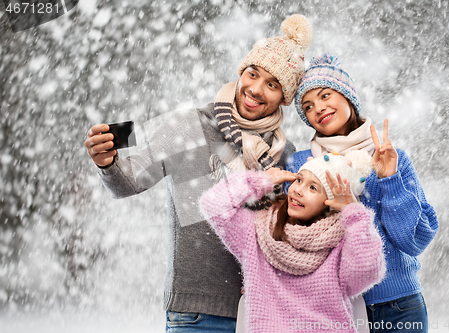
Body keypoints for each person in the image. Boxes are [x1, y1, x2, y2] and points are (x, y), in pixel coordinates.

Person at [84, 14, 312, 333]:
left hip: (264, 312)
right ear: (241, 71)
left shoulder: (286, 156)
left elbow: (293, 236)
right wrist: (107, 161)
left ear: (284, 98)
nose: (256, 89)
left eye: (272, 84)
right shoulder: (189, 126)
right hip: (194, 313)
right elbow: (128, 181)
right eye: (253, 73)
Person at [286, 53, 439, 332]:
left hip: (398, 307)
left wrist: (390, 180)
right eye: (308, 106)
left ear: (348, 98)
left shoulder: (391, 158)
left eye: (325, 96)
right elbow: (290, 238)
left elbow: (413, 241)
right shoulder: (301, 165)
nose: (318, 108)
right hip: (330, 309)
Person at [199, 151, 385, 332]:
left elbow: (367, 272)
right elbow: (213, 204)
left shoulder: (344, 243)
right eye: (299, 180)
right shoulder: (258, 232)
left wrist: (354, 212)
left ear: (330, 203)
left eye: (313, 188)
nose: (298, 190)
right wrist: (261, 180)